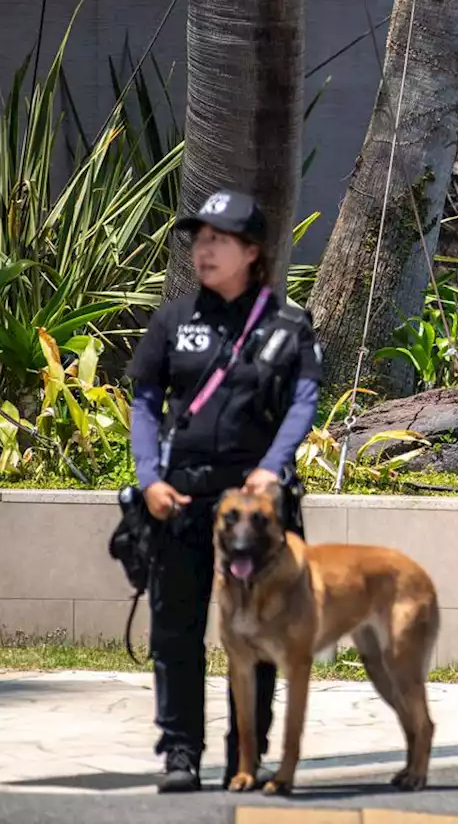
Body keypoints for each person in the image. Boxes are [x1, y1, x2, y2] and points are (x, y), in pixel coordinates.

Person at [126, 188, 323, 793]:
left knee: (260, 630)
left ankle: (248, 755)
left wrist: (271, 470)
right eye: (199, 239)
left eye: (218, 240)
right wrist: (148, 479)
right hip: (180, 496)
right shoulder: (173, 320)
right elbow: (145, 401)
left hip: (254, 508)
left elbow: (303, 401)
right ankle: (181, 752)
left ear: (252, 252)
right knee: (176, 628)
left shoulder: (287, 325)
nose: (203, 250)